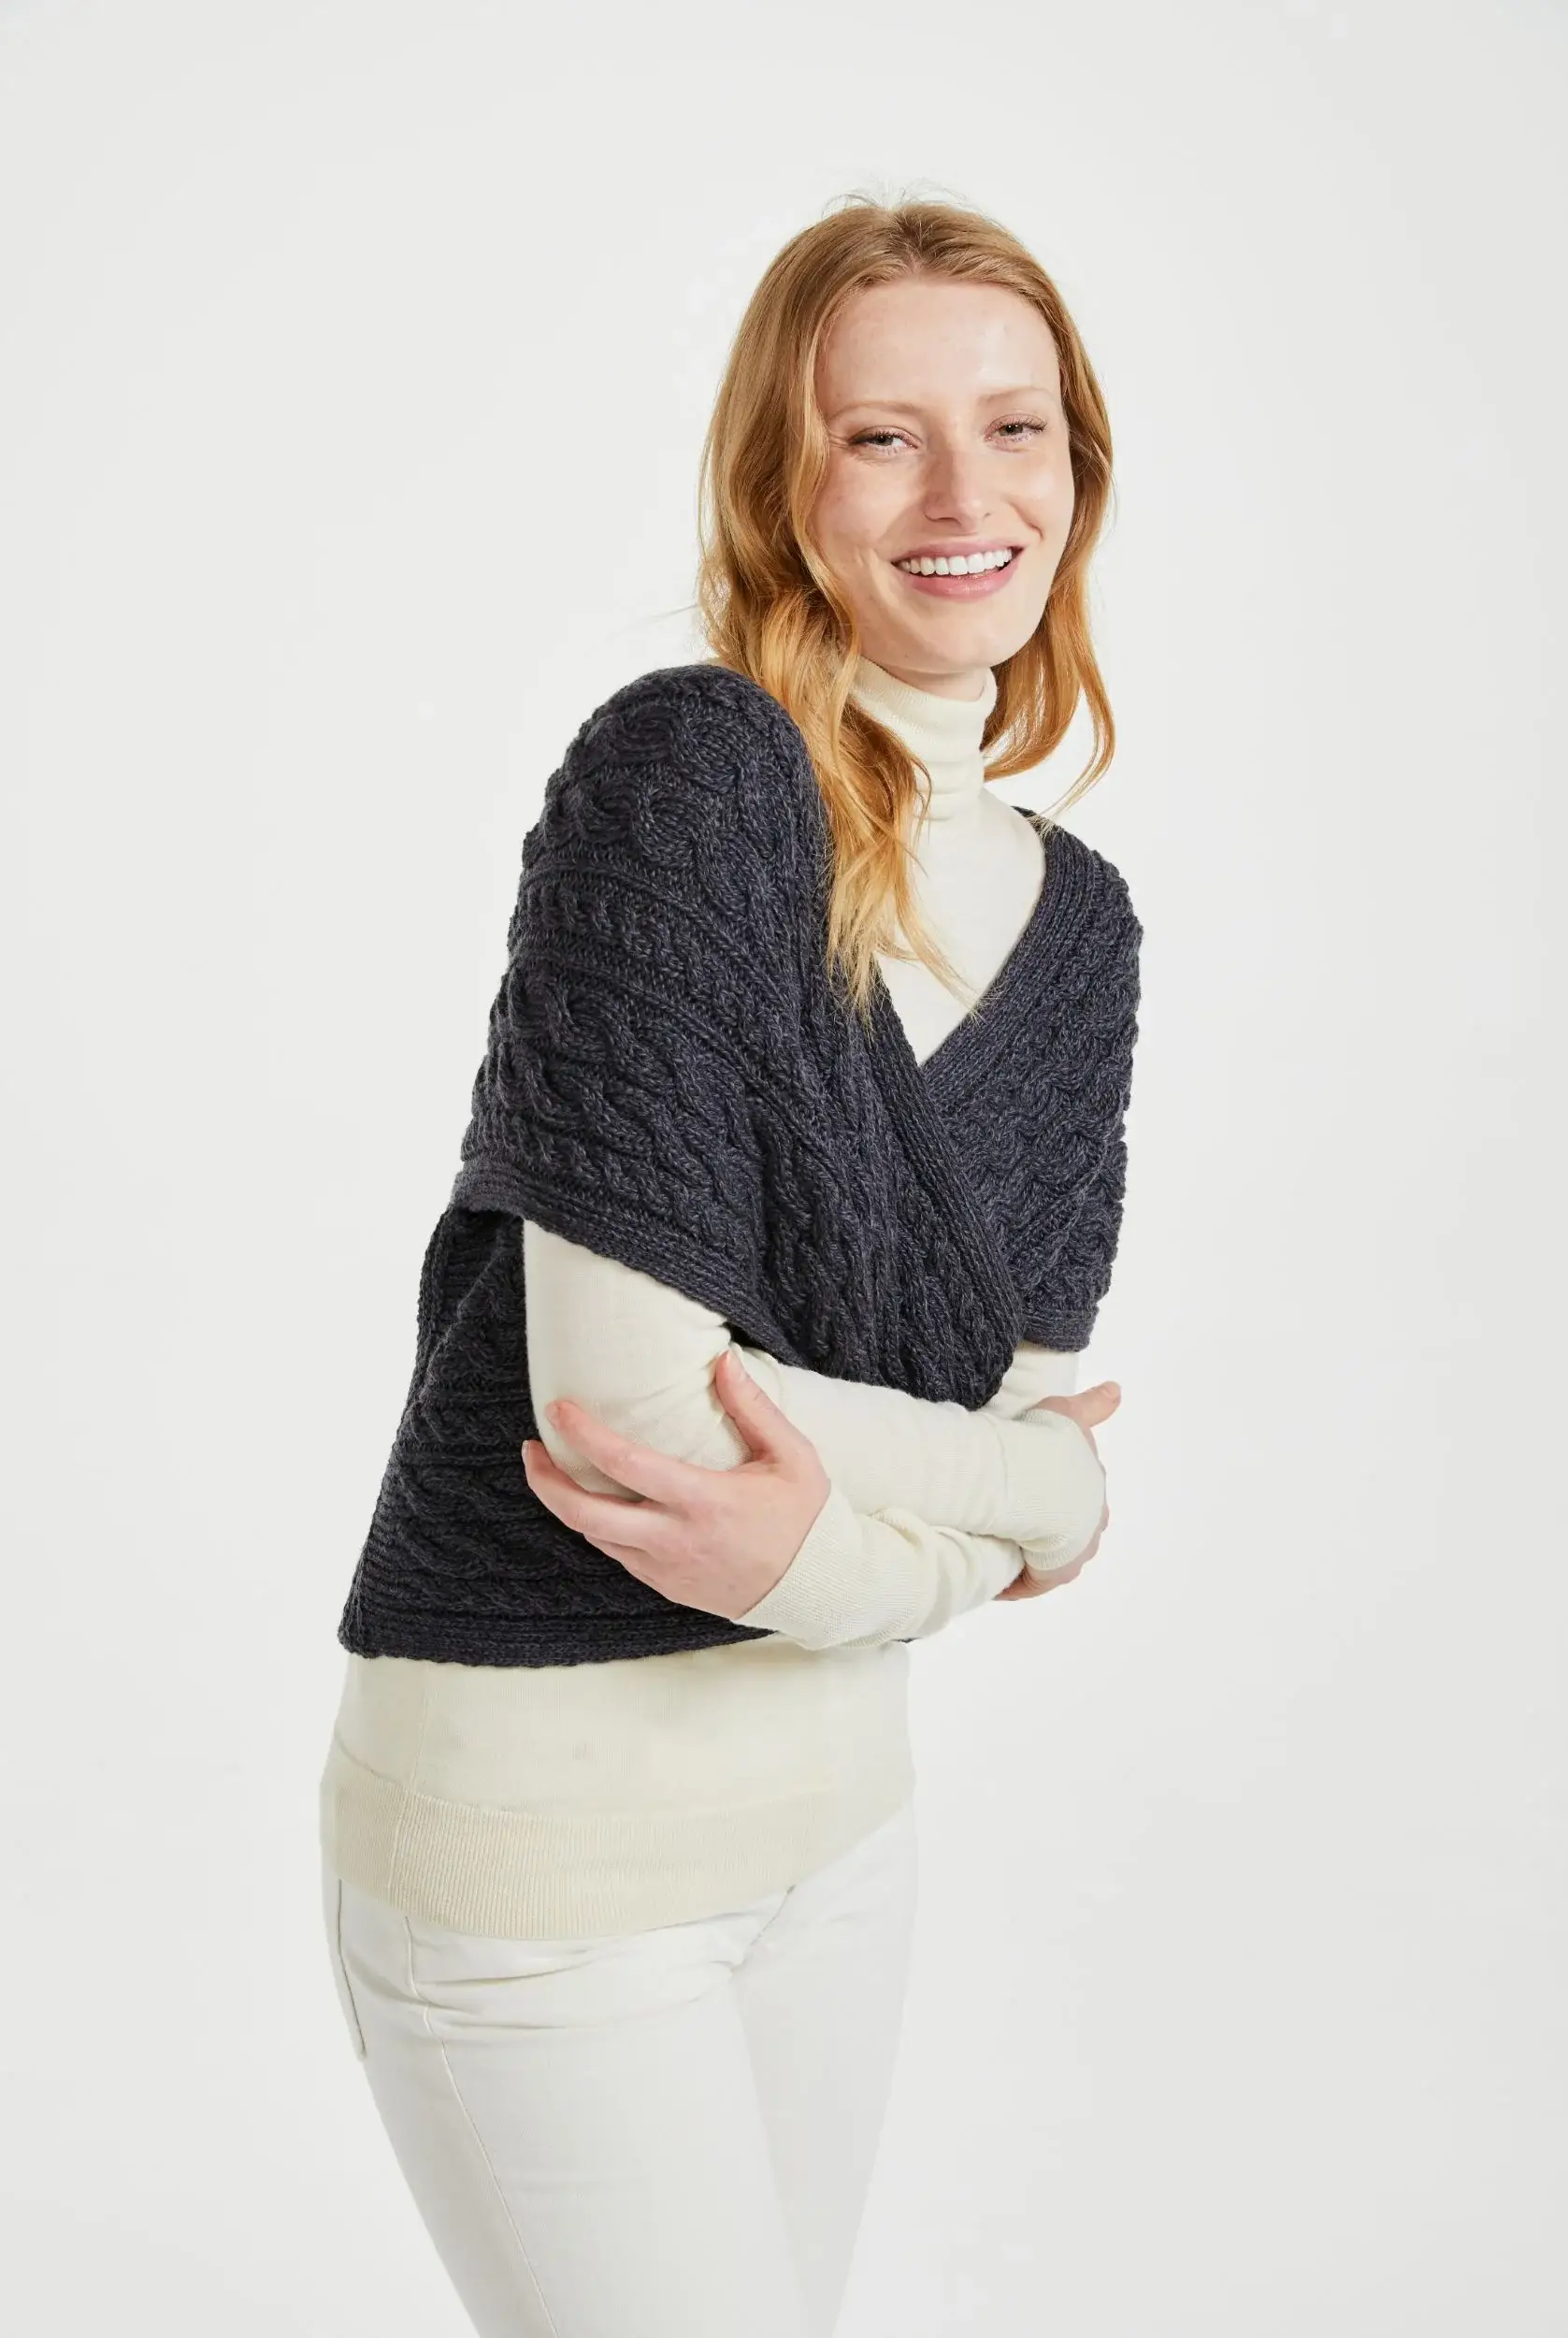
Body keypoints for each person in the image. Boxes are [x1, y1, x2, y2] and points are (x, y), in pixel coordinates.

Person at [318, 193, 1141, 2338]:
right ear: (785, 486)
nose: (963, 496)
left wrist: (911, 1513)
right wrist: (1043, 1491)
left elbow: (986, 1435)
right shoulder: (691, 781)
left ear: (1077, 467)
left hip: (841, 1825)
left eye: (1014, 427)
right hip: (544, 1853)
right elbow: (633, 1426)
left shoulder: (1081, 929)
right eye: (880, 437)